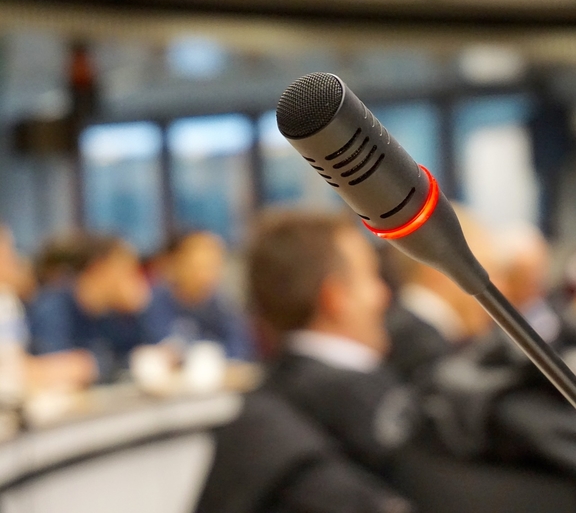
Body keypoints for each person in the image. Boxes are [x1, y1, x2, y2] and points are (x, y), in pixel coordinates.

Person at [199, 209, 418, 513]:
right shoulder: (374, 408)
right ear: (335, 297)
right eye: (370, 277)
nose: (383, 294)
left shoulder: (262, 414)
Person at [27, 231, 167, 383]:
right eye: (125, 270)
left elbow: (147, 354)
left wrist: (142, 310)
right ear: (99, 268)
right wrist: (91, 365)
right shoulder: (53, 307)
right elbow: (52, 369)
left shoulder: (112, 312)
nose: (132, 279)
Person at [385, 203, 498, 384]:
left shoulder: (417, 334)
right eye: (482, 272)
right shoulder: (420, 348)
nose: (497, 288)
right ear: (438, 267)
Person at [0, 225, 94, 398]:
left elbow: (12, 365)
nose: (15, 259)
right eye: (8, 252)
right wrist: (54, 370)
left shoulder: (6, 301)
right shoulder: (49, 306)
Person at [153, 230, 255, 362]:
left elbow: (241, 347)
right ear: (175, 264)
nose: (205, 275)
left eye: (212, 266)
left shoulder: (224, 304)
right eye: (197, 266)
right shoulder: (156, 302)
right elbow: (159, 344)